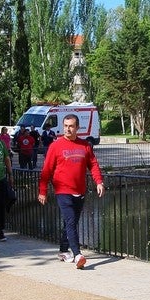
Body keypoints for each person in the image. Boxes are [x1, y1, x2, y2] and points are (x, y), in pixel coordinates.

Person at [38, 114, 104, 269]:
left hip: (79, 190)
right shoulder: (56, 145)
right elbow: (46, 170)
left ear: (77, 127)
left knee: (71, 222)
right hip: (63, 190)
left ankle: (62, 250)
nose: (68, 129)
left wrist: (99, 181)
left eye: (71, 126)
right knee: (70, 221)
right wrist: (42, 190)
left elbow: (93, 164)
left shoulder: (85, 145)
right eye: (66, 125)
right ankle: (77, 254)